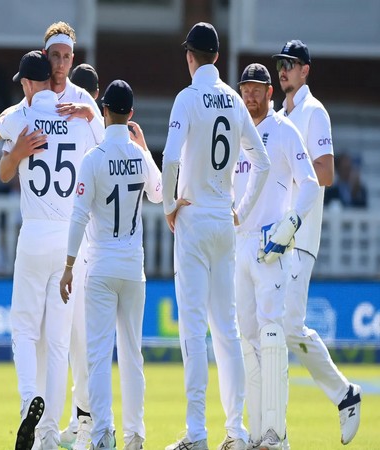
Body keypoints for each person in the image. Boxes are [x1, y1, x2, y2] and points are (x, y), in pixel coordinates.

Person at [161, 23, 270, 450]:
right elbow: (260, 162)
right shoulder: (232, 98)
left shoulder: (187, 99)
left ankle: (197, 433)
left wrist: (169, 203)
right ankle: (237, 431)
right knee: (227, 329)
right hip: (223, 220)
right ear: (217, 58)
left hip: (192, 220)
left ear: (191, 56)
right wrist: (239, 211)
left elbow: (170, 158)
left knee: (193, 329)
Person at [0, 50, 97, 450]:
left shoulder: (20, 117)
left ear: (25, 84)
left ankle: (27, 403)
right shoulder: (78, 115)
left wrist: (17, 145)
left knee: (22, 328)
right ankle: (50, 434)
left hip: (35, 231)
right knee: (57, 343)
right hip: (69, 238)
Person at [60, 79, 161, 450]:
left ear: (104, 111)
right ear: (130, 114)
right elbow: (160, 193)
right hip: (133, 267)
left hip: (100, 266)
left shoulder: (94, 158)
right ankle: (135, 435)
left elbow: (78, 217)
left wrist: (69, 266)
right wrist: (146, 149)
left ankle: (103, 433)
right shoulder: (138, 155)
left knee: (99, 355)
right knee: (132, 355)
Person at [272, 40, 362, 445]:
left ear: (305, 70)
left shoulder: (315, 112)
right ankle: (273, 432)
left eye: (290, 64)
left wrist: (293, 163)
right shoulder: (278, 116)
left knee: (287, 327)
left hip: (301, 237)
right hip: (271, 240)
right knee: (268, 331)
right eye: (281, 64)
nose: (283, 70)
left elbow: (324, 174)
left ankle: (343, 395)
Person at [234, 63, 319, 450]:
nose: (250, 95)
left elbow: (311, 185)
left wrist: (290, 225)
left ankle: (276, 434)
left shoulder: (285, 131)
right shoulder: (234, 130)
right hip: (238, 245)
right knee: (248, 341)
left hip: (271, 247)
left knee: (271, 336)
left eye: (257, 89)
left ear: (270, 92)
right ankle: (256, 434)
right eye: (245, 89)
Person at [59, 60, 100, 450]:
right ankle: (81, 419)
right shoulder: (93, 126)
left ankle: (89, 424)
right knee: (80, 344)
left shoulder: (88, 126)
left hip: (84, 248)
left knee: (80, 343)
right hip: (92, 248)